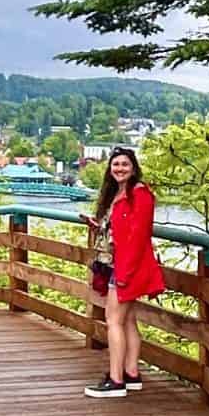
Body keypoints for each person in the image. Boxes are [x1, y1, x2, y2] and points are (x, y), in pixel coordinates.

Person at [84, 145, 164, 398]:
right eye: (116, 164)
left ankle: (116, 381)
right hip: (117, 265)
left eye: (124, 165)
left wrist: (124, 274)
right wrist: (98, 226)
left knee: (113, 321)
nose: (119, 169)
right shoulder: (118, 194)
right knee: (127, 320)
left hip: (127, 267)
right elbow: (119, 229)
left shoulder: (140, 194)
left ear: (133, 168)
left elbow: (139, 236)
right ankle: (131, 374)